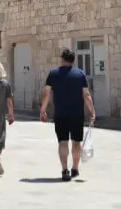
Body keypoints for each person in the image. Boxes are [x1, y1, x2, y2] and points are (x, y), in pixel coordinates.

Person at [40, 48, 95, 182]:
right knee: (77, 142)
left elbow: (47, 93)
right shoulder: (80, 74)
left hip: (60, 114)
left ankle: (65, 170)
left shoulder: (53, 74)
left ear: (62, 59)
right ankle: (75, 168)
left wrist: (43, 110)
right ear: (73, 60)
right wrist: (92, 111)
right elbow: (86, 95)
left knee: (63, 142)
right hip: (77, 114)